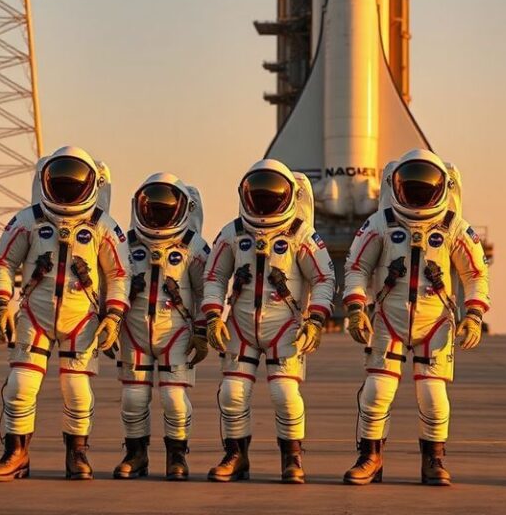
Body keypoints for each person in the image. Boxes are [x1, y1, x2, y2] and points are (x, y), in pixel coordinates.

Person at [342, 148, 490, 486]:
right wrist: (355, 308)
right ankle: (370, 457)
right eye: (411, 185)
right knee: (377, 391)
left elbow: (475, 274)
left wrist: (474, 314)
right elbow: (357, 266)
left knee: (433, 397)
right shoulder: (381, 222)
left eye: (425, 186)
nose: (418, 193)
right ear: (396, 185)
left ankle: (433, 461)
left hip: (435, 322)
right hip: (388, 319)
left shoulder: (454, 227)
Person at [0, 146, 131, 481]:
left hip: (81, 320)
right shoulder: (30, 219)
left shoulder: (102, 225)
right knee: (20, 386)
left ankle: (77, 454)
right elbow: (3, 262)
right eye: (60, 182)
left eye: (73, 183)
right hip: (35, 316)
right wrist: (0, 302)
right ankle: (16, 454)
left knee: (77, 391)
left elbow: (119, 274)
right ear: (46, 180)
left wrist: (112, 317)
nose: (66, 190)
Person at [201, 159, 335, 484]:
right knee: (232, 393)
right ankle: (236, 455)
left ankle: (292, 458)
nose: (262, 202)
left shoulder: (301, 234)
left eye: (269, 195)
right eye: (256, 194)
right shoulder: (233, 232)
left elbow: (324, 278)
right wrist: (213, 315)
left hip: (285, 327)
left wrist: (315, 319)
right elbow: (215, 275)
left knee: (285, 395)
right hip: (240, 326)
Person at [113, 173, 210, 481]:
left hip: (176, 331)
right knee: (133, 398)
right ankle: (136, 455)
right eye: (151, 206)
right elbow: (111, 282)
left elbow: (207, 289)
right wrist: (109, 321)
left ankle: (177, 455)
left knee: (174, 399)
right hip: (133, 329)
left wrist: (202, 329)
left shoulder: (194, 246)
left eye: (164, 206)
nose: (157, 212)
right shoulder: (125, 243)